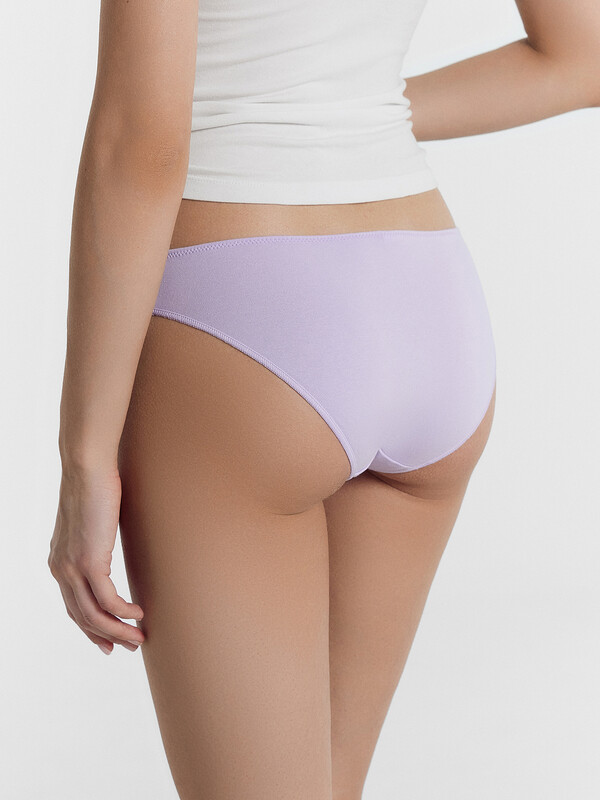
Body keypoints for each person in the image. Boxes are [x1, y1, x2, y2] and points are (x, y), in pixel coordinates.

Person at [47, 1, 600, 797]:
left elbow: (142, 141)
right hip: (427, 300)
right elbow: (580, 59)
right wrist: (347, 108)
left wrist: (84, 455)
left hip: (244, 318)